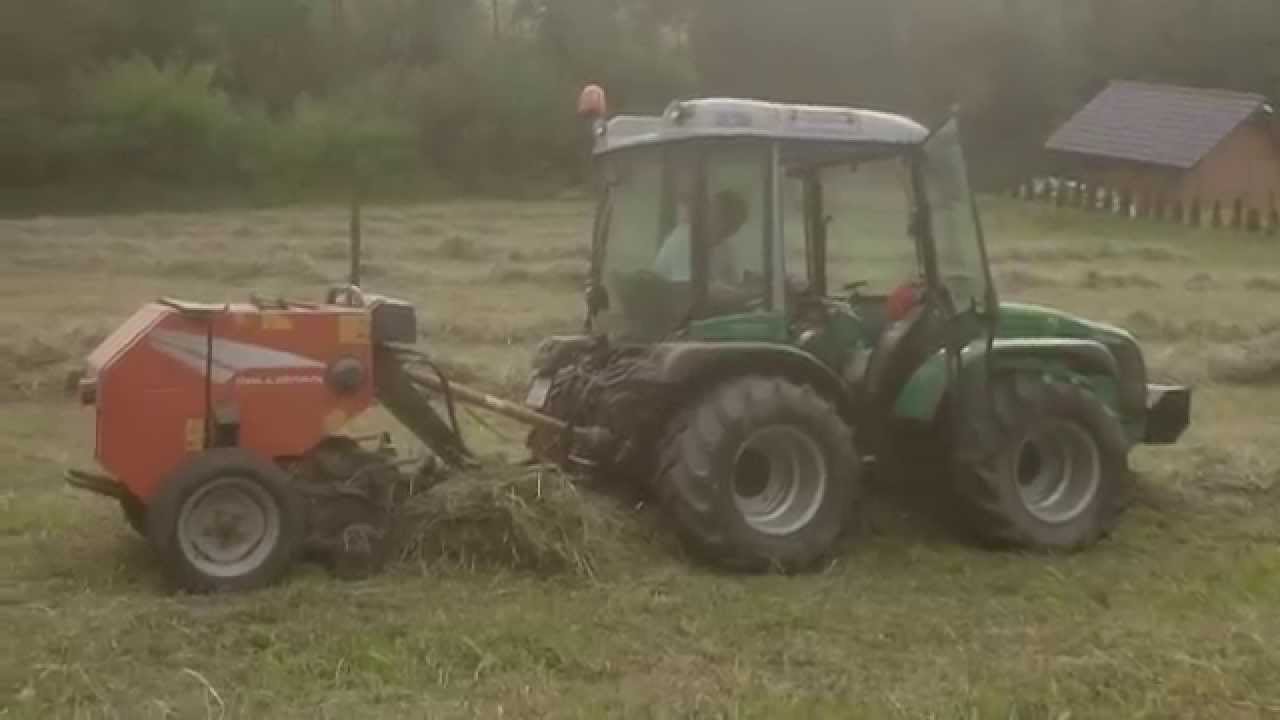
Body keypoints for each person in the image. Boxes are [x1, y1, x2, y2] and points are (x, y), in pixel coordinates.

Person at [654, 189, 749, 285]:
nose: (731, 230)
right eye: (726, 220)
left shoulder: (725, 247)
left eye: (736, 224)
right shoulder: (684, 239)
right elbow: (688, 288)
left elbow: (734, 284)